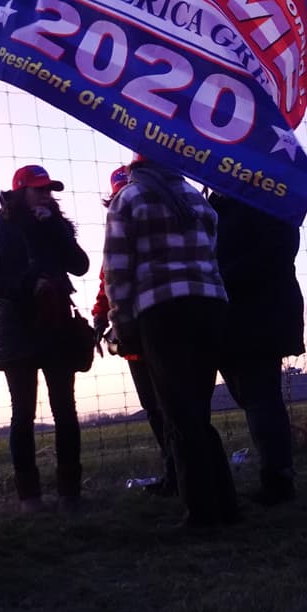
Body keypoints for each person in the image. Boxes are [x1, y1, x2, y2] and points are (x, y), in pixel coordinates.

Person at [103, 155, 236, 527]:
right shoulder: (196, 197)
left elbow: (116, 269)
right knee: (198, 409)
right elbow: (212, 252)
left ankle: (201, 512)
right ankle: (225, 504)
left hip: (162, 310)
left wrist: (120, 321)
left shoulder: (128, 199)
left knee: (178, 415)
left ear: (136, 169)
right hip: (210, 306)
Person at [0, 165, 91, 513]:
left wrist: (54, 228)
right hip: (16, 330)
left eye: (49, 189)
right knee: (22, 414)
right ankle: (30, 499)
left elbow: (80, 265)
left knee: (65, 410)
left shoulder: (55, 227)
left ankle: (70, 494)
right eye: (38, 189)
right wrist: (27, 287)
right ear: (20, 191)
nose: (46, 195)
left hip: (56, 327)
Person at [210, 189, 304, 505]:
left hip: (257, 314)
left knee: (260, 396)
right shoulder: (218, 205)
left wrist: (217, 277)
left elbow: (277, 251)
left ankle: (278, 479)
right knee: (253, 396)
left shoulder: (262, 201)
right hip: (237, 315)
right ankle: (277, 473)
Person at [93, 166, 175, 495]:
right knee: (157, 408)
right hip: (135, 335)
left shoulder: (155, 224)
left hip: (155, 324)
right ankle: (176, 471)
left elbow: (112, 276)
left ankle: (183, 473)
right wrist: (101, 316)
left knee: (171, 404)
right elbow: (107, 277)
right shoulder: (121, 230)